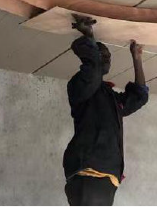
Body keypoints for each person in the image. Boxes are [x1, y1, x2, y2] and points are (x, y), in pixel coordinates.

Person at [63, 15, 149, 207]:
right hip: (104, 177)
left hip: (89, 173)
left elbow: (138, 97)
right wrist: (136, 57)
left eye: (106, 56)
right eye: (104, 56)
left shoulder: (91, 91)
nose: (107, 58)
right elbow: (139, 97)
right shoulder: (84, 88)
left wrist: (88, 35)